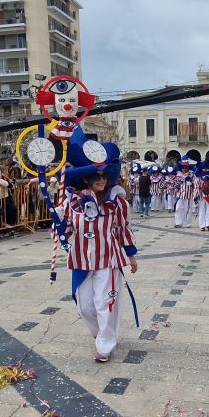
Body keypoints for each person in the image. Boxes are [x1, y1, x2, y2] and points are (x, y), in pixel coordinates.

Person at [58, 141, 138, 363]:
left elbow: (123, 229)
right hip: (81, 260)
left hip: (109, 259)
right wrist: (58, 225)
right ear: (86, 179)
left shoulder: (117, 202)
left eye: (104, 175)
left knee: (106, 303)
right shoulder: (72, 202)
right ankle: (102, 333)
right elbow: (66, 228)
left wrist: (131, 255)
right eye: (96, 176)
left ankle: (105, 344)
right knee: (84, 306)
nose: (101, 179)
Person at [173, 159, 199, 228]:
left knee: (189, 209)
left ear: (188, 168)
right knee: (178, 208)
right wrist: (176, 186)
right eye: (183, 167)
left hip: (190, 194)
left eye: (186, 167)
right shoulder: (179, 174)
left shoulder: (192, 174)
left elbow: (196, 183)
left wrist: (192, 184)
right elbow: (176, 182)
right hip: (181, 194)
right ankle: (178, 223)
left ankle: (188, 223)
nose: (184, 169)